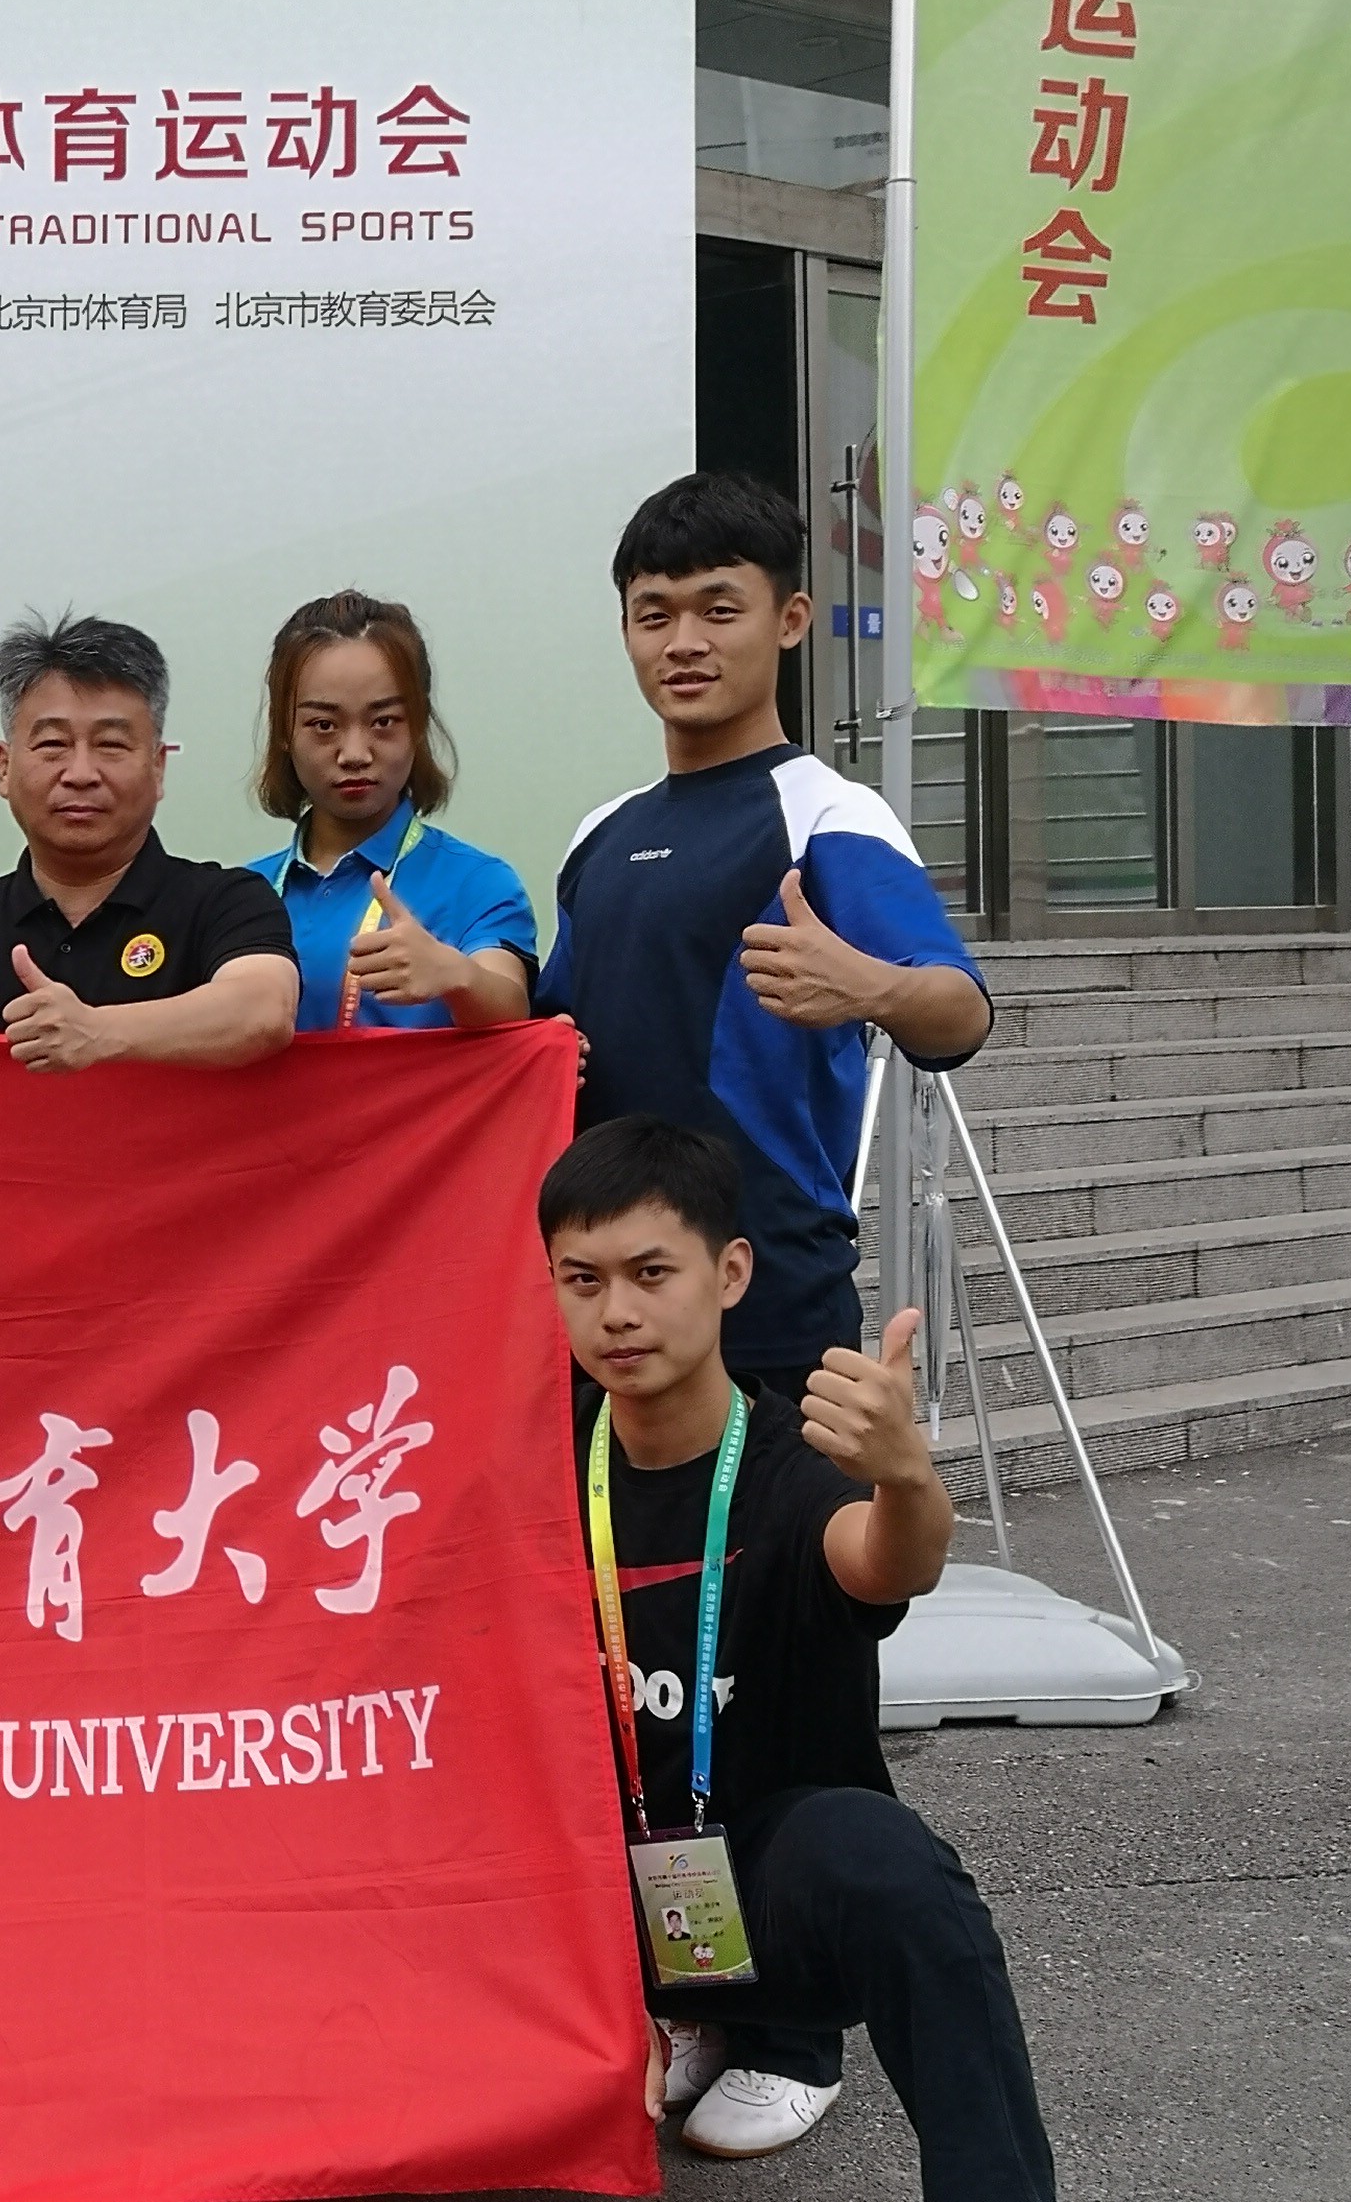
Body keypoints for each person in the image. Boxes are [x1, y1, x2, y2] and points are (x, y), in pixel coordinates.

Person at [539, 474, 992, 2144]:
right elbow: (557, 1053)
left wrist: (868, 986)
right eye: (653, 611)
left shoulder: (826, 816)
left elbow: (955, 1010)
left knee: (782, 1674)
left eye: (717, 606)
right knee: (632, 1668)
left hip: (773, 1312)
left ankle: (796, 2028)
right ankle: (688, 1989)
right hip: (617, 1326)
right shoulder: (599, 835)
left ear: (788, 620)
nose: (683, 639)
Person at [538, 1119, 1052, 2198]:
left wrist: (906, 1479)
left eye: (649, 1273)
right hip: (568, 1899)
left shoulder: (790, 1469)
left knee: (888, 1863)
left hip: (761, 1893)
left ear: (729, 1272)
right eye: (581, 1279)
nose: (615, 1311)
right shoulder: (530, 1461)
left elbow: (886, 1562)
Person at [0, 612, 297, 1067]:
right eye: (52, 744)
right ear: (3, 767)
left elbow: (264, 1011)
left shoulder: (226, 902)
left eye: (111, 744)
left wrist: (98, 1031)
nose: (80, 774)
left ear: (157, 767)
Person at [236, 589, 537, 1031]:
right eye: (324, 725)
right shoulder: (243, 894)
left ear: (419, 724)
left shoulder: (476, 881)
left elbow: (512, 1009)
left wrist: (456, 976)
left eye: (383, 722)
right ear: (284, 731)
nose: (355, 754)